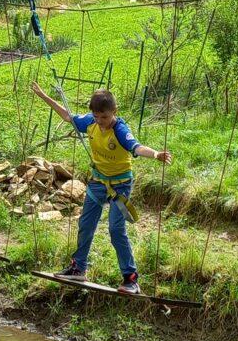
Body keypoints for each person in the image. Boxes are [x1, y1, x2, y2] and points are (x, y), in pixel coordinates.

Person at [30, 82, 171, 294]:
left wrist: (156, 154)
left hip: (120, 186)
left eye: (104, 117)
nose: (100, 121)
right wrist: (43, 96)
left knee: (116, 230)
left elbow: (136, 147)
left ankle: (131, 279)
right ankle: (78, 268)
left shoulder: (121, 130)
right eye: (96, 116)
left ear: (114, 112)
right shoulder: (90, 123)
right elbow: (68, 116)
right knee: (86, 224)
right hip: (97, 184)